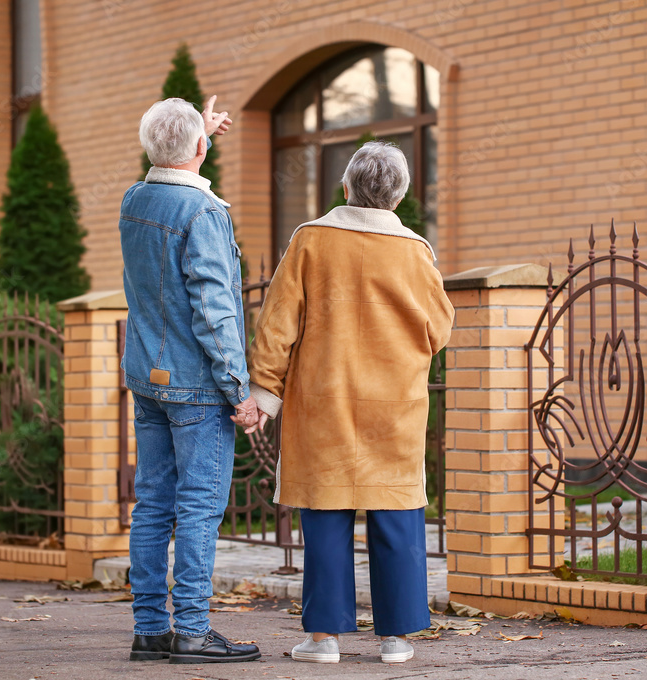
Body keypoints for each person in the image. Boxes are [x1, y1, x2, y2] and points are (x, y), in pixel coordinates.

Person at [246, 141, 454, 665]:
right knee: (398, 517)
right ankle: (397, 640)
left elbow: (277, 325)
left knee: (324, 515)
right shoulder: (415, 251)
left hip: (324, 400)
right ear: (400, 195)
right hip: (395, 405)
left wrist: (263, 394)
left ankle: (324, 640)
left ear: (345, 187)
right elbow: (438, 329)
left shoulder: (310, 241)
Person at [120, 96, 261, 665]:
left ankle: (151, 630)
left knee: (152, 503)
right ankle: (195, 632)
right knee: (199, 507)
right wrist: (240, 388)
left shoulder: (135, 200)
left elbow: (169, 171)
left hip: (149, 380)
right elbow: (213, 308)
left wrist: (194, 134)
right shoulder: (205, 214)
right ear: (200, 149)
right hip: (198, 385)